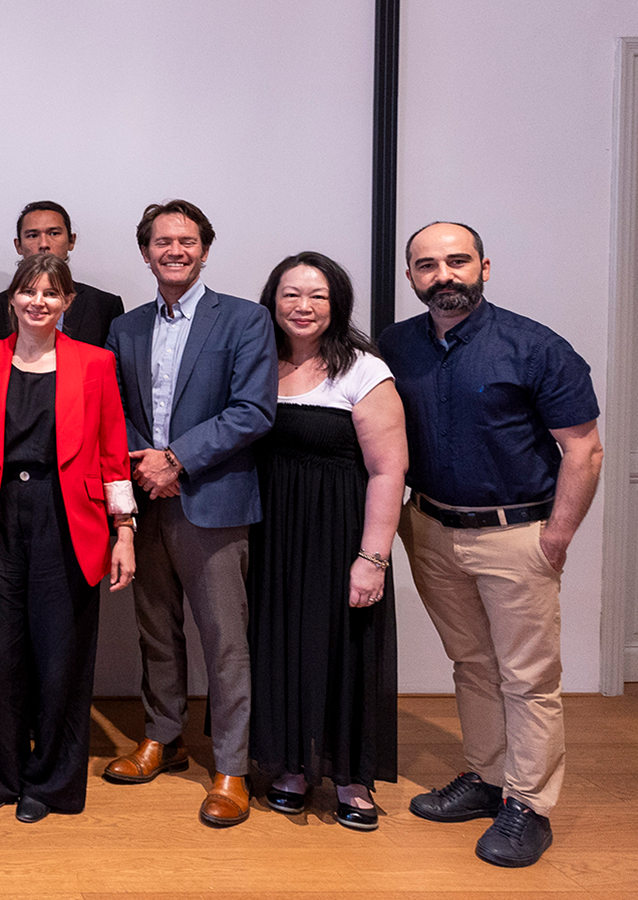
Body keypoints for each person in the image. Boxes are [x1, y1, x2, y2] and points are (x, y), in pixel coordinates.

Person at [381, 222, 603, 867]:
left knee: (528, 678)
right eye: (427, 265)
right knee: (472, 664)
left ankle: (528, 805)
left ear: (484, 265)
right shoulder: (397, 345)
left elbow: (583, 448)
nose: (443, 275)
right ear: (411, 276)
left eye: (457, 261)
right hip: (429, 529)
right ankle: (487, 778)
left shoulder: (535, 347)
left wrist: (556, 537)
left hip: (516, 534)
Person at [101, 200, 276, 827]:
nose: (174, 250)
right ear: (145, 250)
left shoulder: (246, 320)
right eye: (161, 241)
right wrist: (144, 464)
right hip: (147, 504)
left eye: (186, 240)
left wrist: (175, 459)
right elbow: (112, 407)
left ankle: (232, 765)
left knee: (226, 641)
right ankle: (164, 738)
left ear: (205, 248)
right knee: (156, 630)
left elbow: (253, 410)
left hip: (214, 501)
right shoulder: (127, 327)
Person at [0, 254, 136, 823]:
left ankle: (53, 784)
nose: (39, 302)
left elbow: (112, 451)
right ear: (11, 299)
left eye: (51, 294)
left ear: (68, 304)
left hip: (69, 517)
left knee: (61, 656)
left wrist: (124, 530)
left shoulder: (95, 363)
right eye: (29, 291)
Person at [248, 252, 406, 830]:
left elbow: (389, 471)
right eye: (291, 294)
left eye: (317, 295)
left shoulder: (363, 370)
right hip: (271, 532)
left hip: (339, 531)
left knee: (341, 646)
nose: (303, 307)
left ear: (336, 303)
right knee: (279, 641)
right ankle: (289, 765)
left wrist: (372, 558)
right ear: (273, 300)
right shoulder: (255, 362)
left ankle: (349, 776)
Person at [0, 200, 124, 347]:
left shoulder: (105, 306)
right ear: (18, 245)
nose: (43, 244)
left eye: (54, 233)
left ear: (71, 241)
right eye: (32, 235)